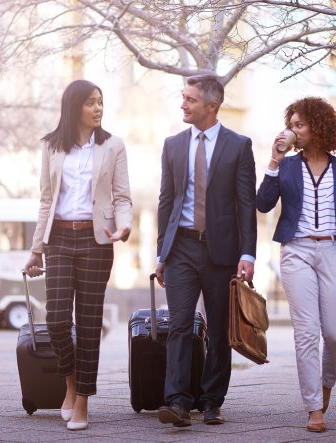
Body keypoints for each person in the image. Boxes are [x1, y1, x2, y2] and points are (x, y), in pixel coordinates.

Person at [255, 97, 336, 433]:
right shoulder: (288, 166)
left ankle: (324, 387)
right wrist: (274, 161)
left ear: (318, 127)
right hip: (297, 252)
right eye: (291, 125)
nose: (292, 131)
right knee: (307, 333)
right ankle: (313, 408)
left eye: (299, 125)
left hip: (335, 252)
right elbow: (263, 205)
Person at [23, 79, 132, 431]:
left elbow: (122, 196)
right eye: (90, 102)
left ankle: (82, 400)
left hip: (96, 241)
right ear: (74, 108)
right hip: (59, 240)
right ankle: (69, 383)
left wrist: (124, 225)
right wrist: (36, 249)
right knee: (55, 320)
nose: (98, 108)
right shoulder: (51, 146)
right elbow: (45, 200)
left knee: (87, 325)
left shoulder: (113, 145)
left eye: (100, 101)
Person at [155, 74, 257, 427]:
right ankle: (178, 402)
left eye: (190, 99)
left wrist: (248, 254)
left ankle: (212, 400)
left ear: (211, 106)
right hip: (181, 248)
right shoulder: (172, 145)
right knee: (180, 324)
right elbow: (166, 201)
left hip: (222, 252)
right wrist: (161, 255)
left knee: (218, 330)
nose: (183, 104)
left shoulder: (239, 146)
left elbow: (246, 204)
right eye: (183, 98)